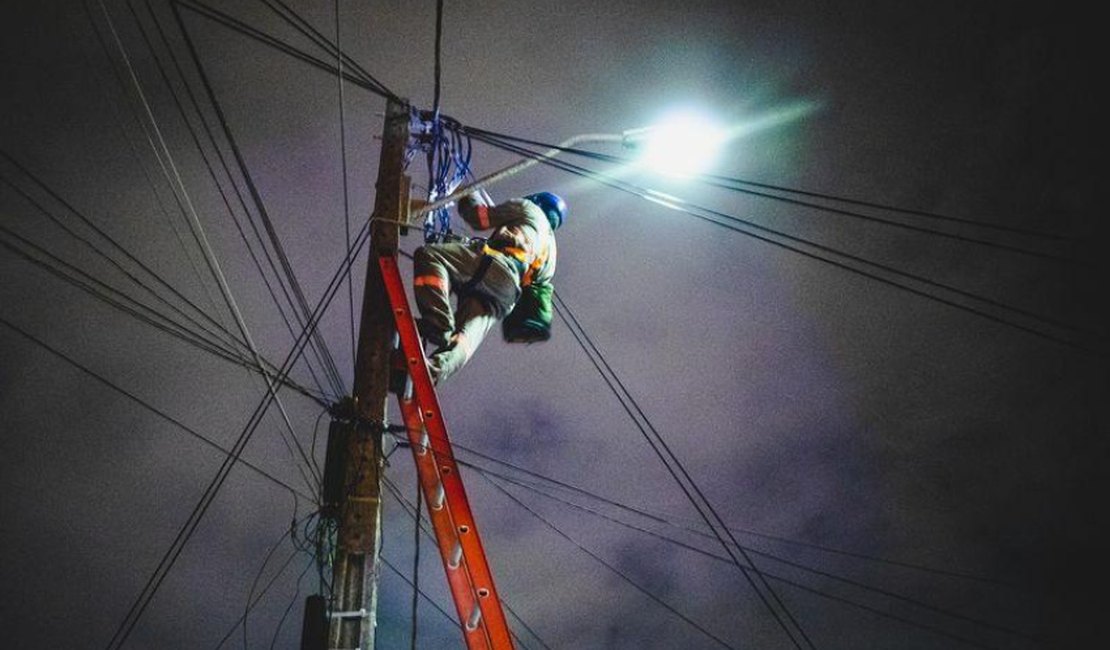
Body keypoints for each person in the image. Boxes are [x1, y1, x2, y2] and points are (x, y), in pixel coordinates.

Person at [409, 190, 565, 385]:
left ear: (537, 201)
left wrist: (468, 193)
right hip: (507, 293)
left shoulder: (529, 209)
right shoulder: (551, 253)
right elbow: (535, 285)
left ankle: (437, 323)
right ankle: (434, 371)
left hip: (493, 265)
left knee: (429, 256)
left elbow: (480, 218)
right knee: (466, 338)